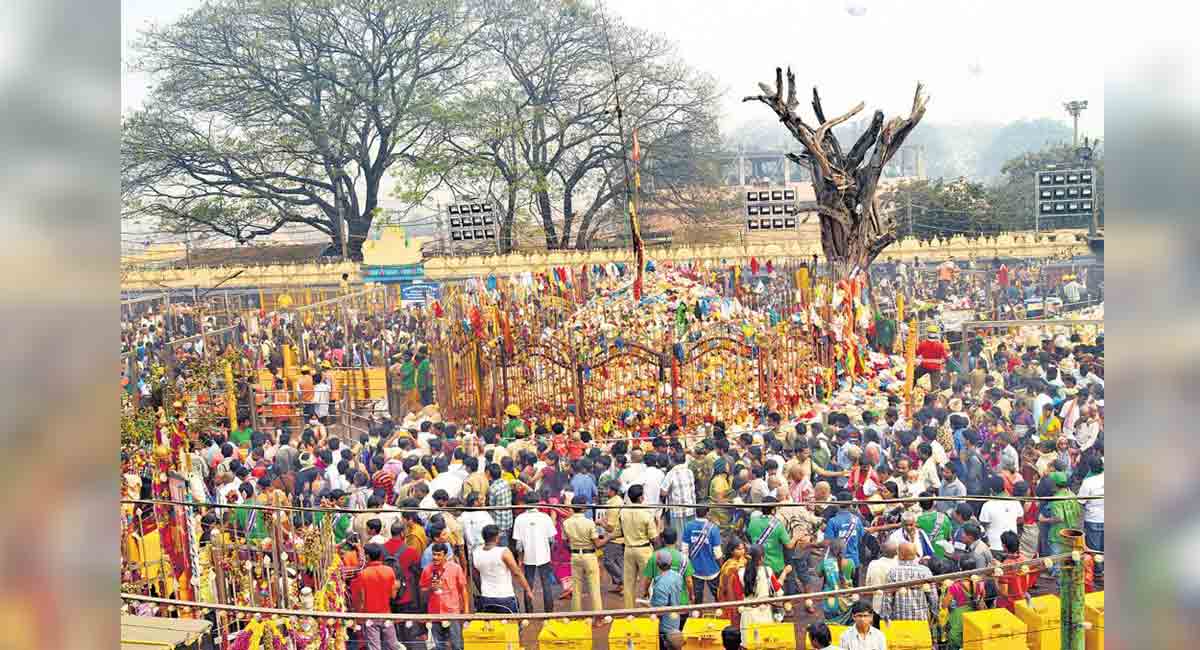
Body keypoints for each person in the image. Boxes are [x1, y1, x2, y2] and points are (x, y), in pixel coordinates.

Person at [511, 491, 559, 612]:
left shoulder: (519, 519)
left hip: (528, 557)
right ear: (538, 503)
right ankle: (549, 611)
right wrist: (549, 551)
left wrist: (520, 559)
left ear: (525, 503)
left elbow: (519, 545)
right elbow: (552, 540)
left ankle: (529, 611)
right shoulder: (545, 518)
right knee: (546, 584)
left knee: (528, 585)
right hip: (544, 556)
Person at [473, 524, 533, 614]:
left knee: (491, 627)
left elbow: (475, 576)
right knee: (512, 625)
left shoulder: (476, 553)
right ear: (497, 537)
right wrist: (528, 589)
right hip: (505, 598)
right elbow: (517, 573)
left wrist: (482, 591)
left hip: (486, 597)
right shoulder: (504, 552)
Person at [351, 544, 401, 650]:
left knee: (374, 647)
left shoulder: (363, 574)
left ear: (368, 557)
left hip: (370, 617)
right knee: (393, 645)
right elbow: (393, 595)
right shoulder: (389, 571)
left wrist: (358, 615)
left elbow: (362, 599)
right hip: (387, 615)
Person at [563, 495, 606, 617]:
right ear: (583, 508)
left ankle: (576, 616)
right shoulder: (589, 523)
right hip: (589, 555)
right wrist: (609, 537)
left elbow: (566, 541)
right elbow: (597, 544)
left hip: (575, 555)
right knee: (594, 587)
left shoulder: (566, 523)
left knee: (576, 588)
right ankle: (598, 617)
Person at [619, 484, 659, 609]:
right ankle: (651, 610)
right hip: (643, 550)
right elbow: (653, 538)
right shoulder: (646, 513)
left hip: (628, 549)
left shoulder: (623, 511)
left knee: (629, 583)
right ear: (641, 497)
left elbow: (620, 530)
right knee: (649, 581)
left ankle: (629, 611)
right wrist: (658, 527)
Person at [880, 542, 938, 621]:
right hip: (921, 618)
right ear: (915, 554)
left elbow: (887, 598)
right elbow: (933, 596)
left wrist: (886, 617)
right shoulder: (925, 571)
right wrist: (934, 613)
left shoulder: (893, 572)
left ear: (900, 555)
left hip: (899, 619)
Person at [640, 528, 695, 606]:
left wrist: (645, 592)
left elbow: (648, 579)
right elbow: (689, 581)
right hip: (680, 601)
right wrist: (691, 595)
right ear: (676, 540)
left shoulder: (655, 556)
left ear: (663, 540)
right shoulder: (683, 558)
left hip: (660, 600)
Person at [682, 506, 723, 605]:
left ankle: (697, 616)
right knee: (718, 595)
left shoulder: (688, 526)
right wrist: (722, 567)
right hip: (712, 569)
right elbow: (718, 554)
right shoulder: (713, 529)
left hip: (695, 570)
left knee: (697, 598)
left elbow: (684, 551)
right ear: (707, 513)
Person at [648, 549, 685, 650]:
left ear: (657, 564)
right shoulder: (678, 577)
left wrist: (649, 605)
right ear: (671, 562)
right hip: (675, 620)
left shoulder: (660, 585)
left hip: (665, 626)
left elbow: (659, 610)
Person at [978, 477, 1023, 558]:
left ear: (991, 490)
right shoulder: (1015, 502)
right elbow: (1020, 520)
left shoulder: (987, 505)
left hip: (994, 546)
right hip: (1011, 547)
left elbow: (983, 525)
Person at [864, 541, 898, 613]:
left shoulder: (873, 564)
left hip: (878, 606)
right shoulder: (899, 565)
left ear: (881, 551)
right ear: (896, 553)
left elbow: (868, 585)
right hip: (896, 606)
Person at [486, 463, 514, 546]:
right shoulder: (505, 483)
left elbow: (491, 506)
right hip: (508, 520)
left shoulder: (493, 488)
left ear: (489, 473)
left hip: (499, 523)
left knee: (502, 546)